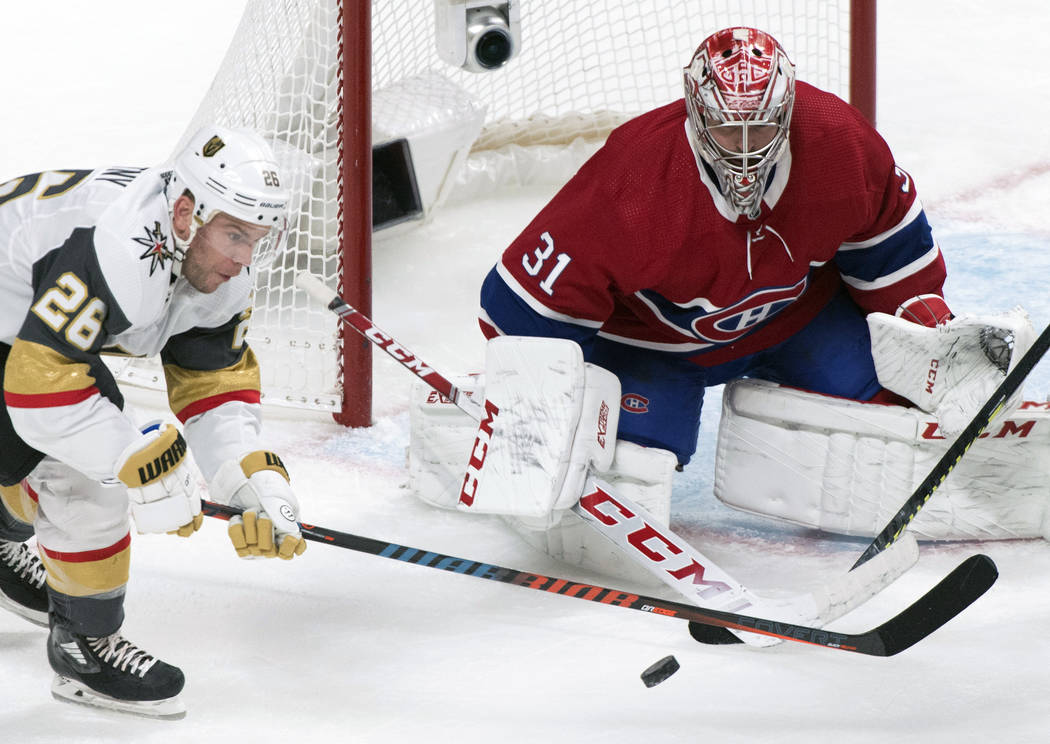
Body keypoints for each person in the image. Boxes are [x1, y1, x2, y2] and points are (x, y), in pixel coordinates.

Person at [0, 125, 307, 719]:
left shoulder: (210, 258)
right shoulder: (120, 245)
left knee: (84, 442)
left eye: (257, 238)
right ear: (188, 213)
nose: (245, 257)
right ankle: (84, 649)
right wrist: (130, 460)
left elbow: (211, 380)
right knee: (84, 472)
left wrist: (250, 480)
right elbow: (39, 388)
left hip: (16, 330)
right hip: (15, 343)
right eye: (234, 235)